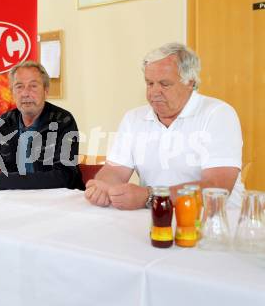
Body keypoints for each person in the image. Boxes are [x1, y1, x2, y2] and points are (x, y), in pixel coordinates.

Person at [85, 42, 243, 209]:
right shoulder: (133, 118)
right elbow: (115, 171)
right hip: (156, 218)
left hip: (215, 221)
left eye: (164, 84)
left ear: (190, 82)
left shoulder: (218, 114)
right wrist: (103, 186)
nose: (154, 92)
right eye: (149, 83)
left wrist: (151, 196)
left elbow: (217, 187)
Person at [0, 61, 84, 190]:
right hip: (17, 201)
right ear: (12, 93)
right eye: (19, 86)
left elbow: (65, 176)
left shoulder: (63, 120)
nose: (25, 93)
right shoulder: (5, 122)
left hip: (60, 201)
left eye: (33, 86)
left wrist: (4, 182)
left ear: (46, 91)